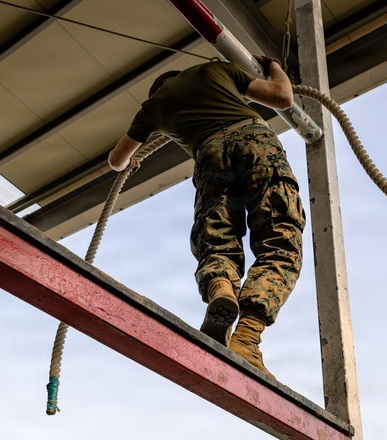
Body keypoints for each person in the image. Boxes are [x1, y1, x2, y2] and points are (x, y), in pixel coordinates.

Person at [108, 58, 305, 377]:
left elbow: (116, 161)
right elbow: (283, 97)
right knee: (281, 241)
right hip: (255, 141)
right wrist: (275, 67)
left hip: (208, 154)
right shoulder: (215, 69)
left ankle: (222, 290)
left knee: (217, 238)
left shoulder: (153, 107)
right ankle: (246, 338)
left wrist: (130, 161)